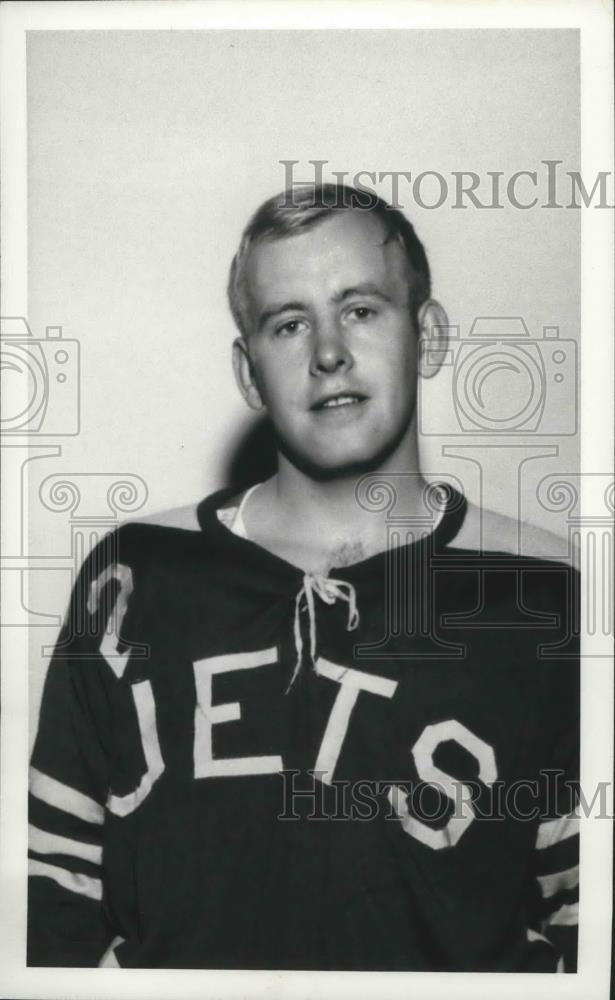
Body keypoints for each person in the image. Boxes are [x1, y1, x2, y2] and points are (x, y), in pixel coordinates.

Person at [27, 184, 579, 971]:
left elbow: (584, 912)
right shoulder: (136, 575)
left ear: (428, 334)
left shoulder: (546, 592)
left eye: (359, 309)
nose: (327, 352)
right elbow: (54, 891)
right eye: (287, 324)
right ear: (249, 373)